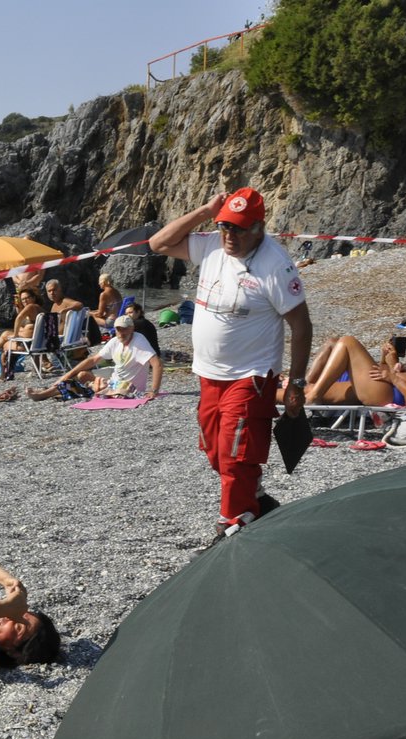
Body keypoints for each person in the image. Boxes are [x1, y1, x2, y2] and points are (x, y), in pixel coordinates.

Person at [150, 186, 312, 538]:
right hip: (209, 375)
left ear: (259, 227)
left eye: (239, 228)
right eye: (225, 226)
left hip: (251, 376)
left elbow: (301, 326)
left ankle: (233, 524)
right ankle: (256, 498)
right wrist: (205, 212)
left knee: (235, 456)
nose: (230, 235)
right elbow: (158, 244)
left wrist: (296, 384)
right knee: (214, 452)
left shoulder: (274, 265)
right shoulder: (211, 243)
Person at [27, 314, 162, 400]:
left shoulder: (139, 341)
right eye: (118, 329)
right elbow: (93, 360)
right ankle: (56, 388)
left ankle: (46, 393)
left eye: (124, 329)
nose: (121, 332)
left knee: (82, 386)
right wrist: (67, 374)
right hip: (114, 382)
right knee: (82, 375)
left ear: (132, 328)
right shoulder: (116, 341)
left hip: (129, 388)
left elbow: (157, 364)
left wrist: (153, 390)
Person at [0, 289, 41, 365]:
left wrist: (15, 335)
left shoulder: (31, 306)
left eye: (27, 298)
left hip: (29, 344)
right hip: (38, 343)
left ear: (33, 298)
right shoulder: (38, 308)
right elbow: (25, 323)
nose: (25, 301)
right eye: (22, 299)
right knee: (6, 337)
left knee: (5, 338)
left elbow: (19, 318)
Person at [85, 272, 122, 344]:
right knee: (90, 314)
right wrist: (92, 311)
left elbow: (100, 314)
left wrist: (89, 313)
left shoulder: (103, 294)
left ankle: (93, 340)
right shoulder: (116, 291)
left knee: (89, 318)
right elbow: (105, 310)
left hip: (111, 322)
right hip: (118, 318)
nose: (99, 284)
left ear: (104, 282)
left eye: (100, 282)